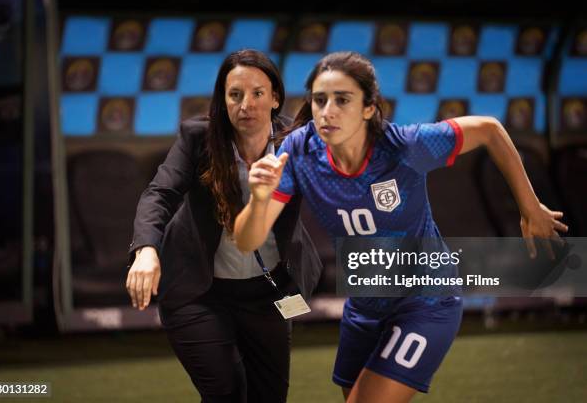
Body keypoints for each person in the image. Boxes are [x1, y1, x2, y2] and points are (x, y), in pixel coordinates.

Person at [233, 51, 568, 403]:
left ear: (368, 108)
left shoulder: (406, 146)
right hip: (365, 304)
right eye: (320, 100)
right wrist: (258, 199)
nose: (327, 111)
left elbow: (489, 129)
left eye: (342, 100)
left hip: (426, 300)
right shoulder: (299, 152)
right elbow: (247, 240)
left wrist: (530, 208)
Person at [126, 49, 323, 403]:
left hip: (271, 292)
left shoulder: (298, 143)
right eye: (235, 95)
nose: (245, 104)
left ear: (275, 97)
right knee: (225, 392)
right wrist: (146, 251)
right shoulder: (198, 138)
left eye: (257, 93)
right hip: (200, 291)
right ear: (223, 99)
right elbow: (160, 193)